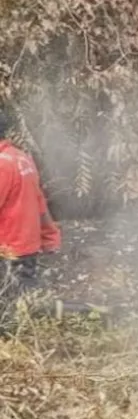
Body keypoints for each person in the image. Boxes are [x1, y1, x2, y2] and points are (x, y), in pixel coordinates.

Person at [0, 113, 61, 303]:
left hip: (7, 249)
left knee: (13, 307)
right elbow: (39, 201)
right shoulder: (21, 158)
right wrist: (50, 235)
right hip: (25, 246)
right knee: (23, 302)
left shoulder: (2, 164)